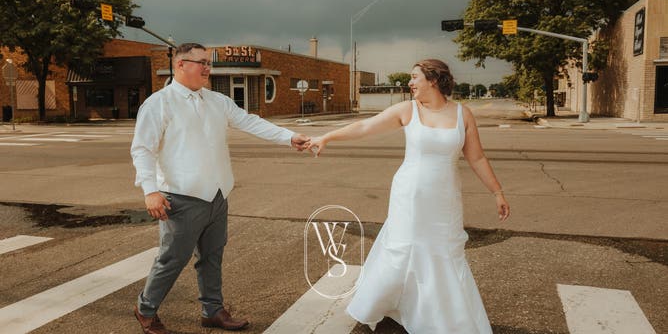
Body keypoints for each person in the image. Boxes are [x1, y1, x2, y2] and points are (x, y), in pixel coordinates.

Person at [305, 59, 510, 333]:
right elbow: (366, 126)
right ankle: (387, 303)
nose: (410, 83)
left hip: (445, 198)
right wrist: (327, 137)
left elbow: (477, 157)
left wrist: (497, 192)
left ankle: (442, 316)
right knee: (403, 249)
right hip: (409, 195)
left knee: (444, 252)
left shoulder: (463, 114)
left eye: (415, 77)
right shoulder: (408, 110)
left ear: (433, 80)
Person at [130, 43, 309, 334]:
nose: (206, 68)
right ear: (180, 65)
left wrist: (289, 137)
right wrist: (150, 190)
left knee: (212, 257)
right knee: (172, 259)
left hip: (217, 196)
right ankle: (145, 309)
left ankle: (212, 310)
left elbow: (250, 122)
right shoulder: (158, 103)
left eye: (208, 63)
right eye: (200, 62)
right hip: (180, 197)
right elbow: (142, 150)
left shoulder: (217, 101)